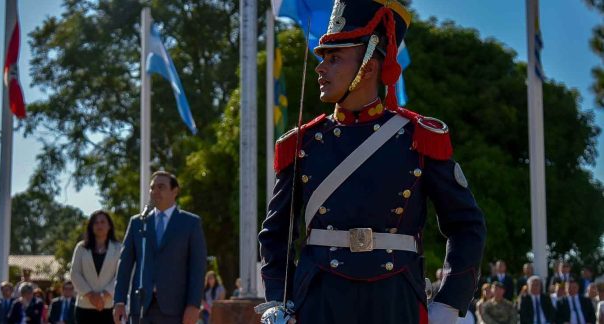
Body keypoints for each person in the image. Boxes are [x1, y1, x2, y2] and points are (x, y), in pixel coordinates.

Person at [257, 1, 486, 323]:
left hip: (395, 300)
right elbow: (276, 234)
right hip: (320, 301)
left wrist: (449, 302)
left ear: (368, 64)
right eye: (323, 58)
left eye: (334, 58)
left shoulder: (417, 136)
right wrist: (278, 301)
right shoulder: (303, 144)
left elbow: (466, 225)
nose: (320, 68)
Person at [113, 170, 207, 324]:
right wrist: (119, 301)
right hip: (141, 307)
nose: (155, 191)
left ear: (174, 191)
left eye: (161, 187)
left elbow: (198, 267)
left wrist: (193, 305)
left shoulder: (191, 223)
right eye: (152, 187)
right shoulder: (138, 222)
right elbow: (124, 265)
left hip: (176, 310)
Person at [71, 210, 120, 324]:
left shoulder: (118, 248)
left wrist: (104, 295)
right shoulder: (81, 247)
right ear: (91, 227)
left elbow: (121, 275)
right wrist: (91, 295)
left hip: (109, 306)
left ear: (109, 226)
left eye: (103, 222)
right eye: (96, 222)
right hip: (85, 307)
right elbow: (75, 273)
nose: (99, 225)